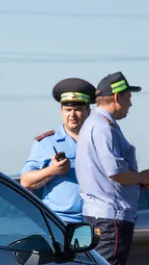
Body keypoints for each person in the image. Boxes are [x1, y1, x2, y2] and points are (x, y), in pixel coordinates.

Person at [74, 71, 149, 265]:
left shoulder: (94, 124)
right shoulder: (103, 127)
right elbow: (116, 172)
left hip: (100, 216)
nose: (131, 103)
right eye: (129, 97)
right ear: (118, 97)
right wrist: (142, 178)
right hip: (111, 219)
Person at [20, 77, 96, 224]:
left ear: (88, 111)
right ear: (61, 110)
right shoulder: (46, 142)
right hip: (61, 222)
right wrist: (52, 171)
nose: (72, 115)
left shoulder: (101, 140)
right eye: (67, 110)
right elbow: (25, 182)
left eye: (78, 110)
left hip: (97, 221)